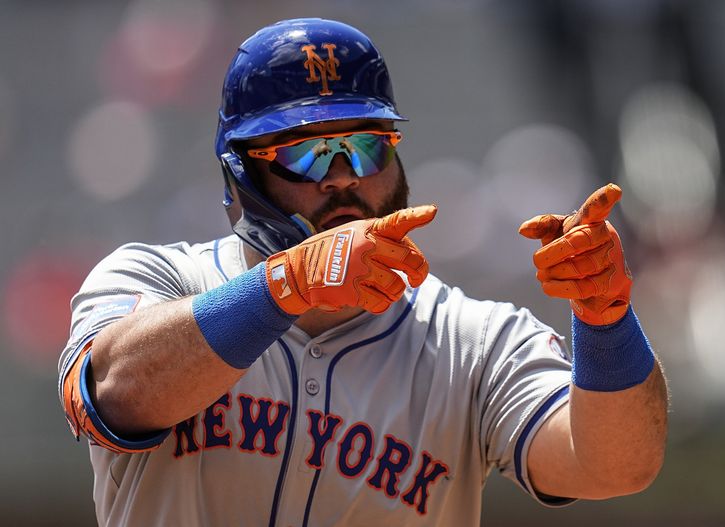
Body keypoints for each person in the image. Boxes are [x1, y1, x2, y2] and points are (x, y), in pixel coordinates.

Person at [58, 17, 668, 527]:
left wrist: (605, 319)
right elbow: (111, 396)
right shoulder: (155, 278)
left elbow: (615, 466)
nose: (344, 175)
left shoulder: (474, 341)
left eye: (366, 145)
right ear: (243, 173)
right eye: (306, 150)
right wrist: (285, 288)